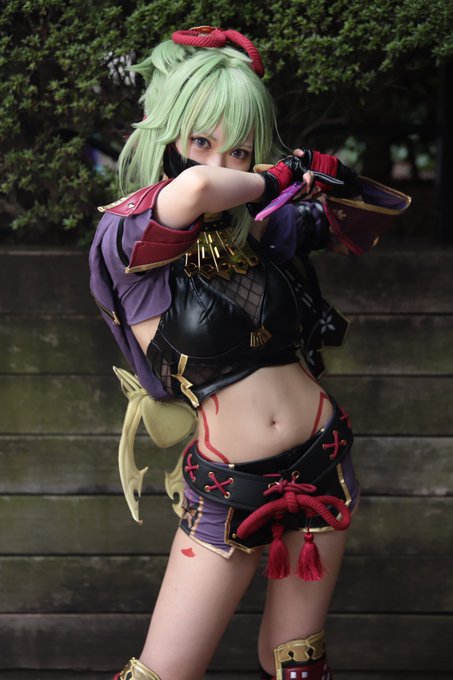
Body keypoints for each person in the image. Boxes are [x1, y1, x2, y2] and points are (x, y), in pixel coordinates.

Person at [89, 26, 410, 680]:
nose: (222, 163)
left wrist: (323, 172)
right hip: (229, 488)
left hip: (321, 459)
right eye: (201, 142)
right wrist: (275, 176)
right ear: (166, 136)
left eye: (240, 149)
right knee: (162, 674)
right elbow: (194, 193)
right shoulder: (128, 235)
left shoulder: (262, 230)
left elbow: (368, 217)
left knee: (298, 662)